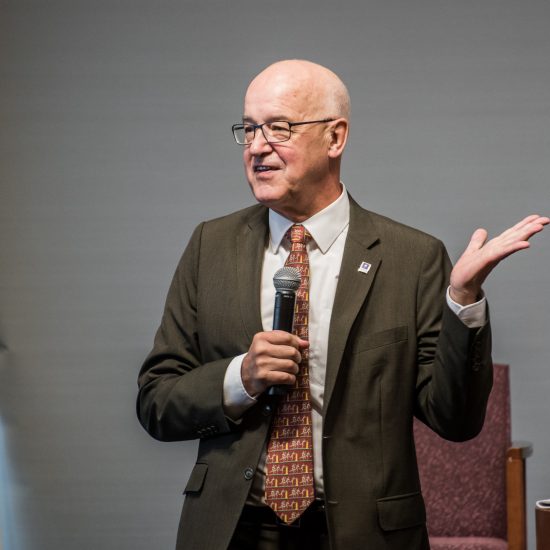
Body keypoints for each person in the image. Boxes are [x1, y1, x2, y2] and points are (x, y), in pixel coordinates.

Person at [136, 60, 548, 550]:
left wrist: (462, 300)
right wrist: (239, 377)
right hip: (232, 530)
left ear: (335, 138)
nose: (257, 146)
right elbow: (156, 401)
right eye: (248, 129)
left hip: (363, 533)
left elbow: (456, 420)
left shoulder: (412, 258)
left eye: (279, 127)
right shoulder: (210, 246)